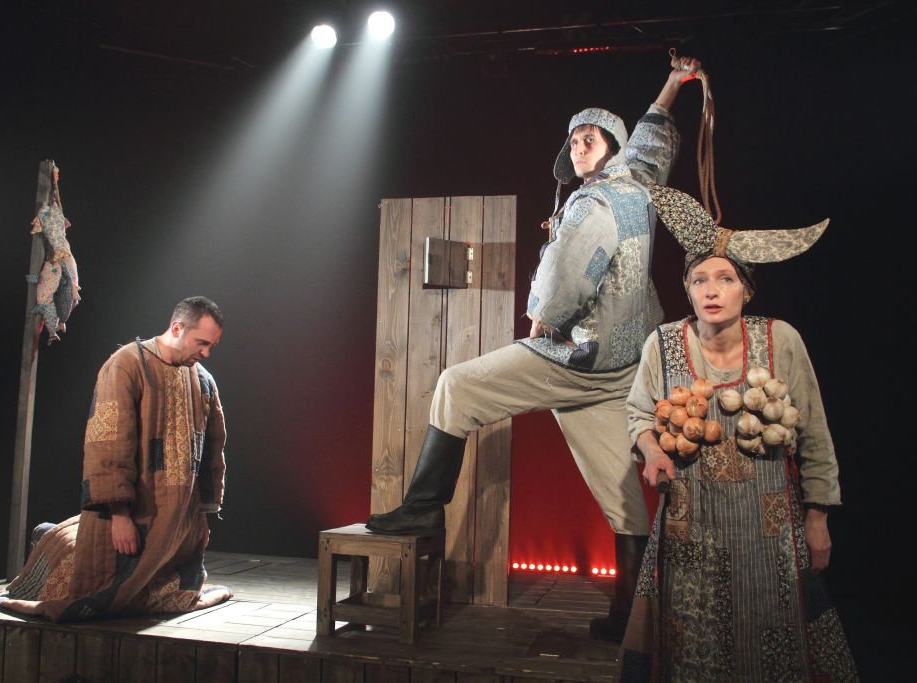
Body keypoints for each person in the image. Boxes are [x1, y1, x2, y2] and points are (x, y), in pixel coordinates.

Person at [367, 57, 701, 642]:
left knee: (455, 386)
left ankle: (423, 505)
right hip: (625, 367)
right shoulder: (641, 182)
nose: (578, 146)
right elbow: (651, 135)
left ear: (611, 148)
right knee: (623, 498)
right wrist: (674, 84)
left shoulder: (593, 203)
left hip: (581, 359)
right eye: (574, 139)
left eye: (590, 138)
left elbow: (567, 279)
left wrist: (543, 316)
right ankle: (631, 615)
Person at [621, 186, 858, 680]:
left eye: (725, 279)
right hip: (691, 528)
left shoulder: (780, 339)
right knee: (694, 645)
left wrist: (817, 518)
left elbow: (814, 433)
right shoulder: (663, 343)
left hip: (769, 533)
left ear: (746, 290)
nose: (711, 290)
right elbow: (639, 414)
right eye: (700, 280)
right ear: (687, 289)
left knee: (773, 642)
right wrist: (651, 450)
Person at [0, 296, 231, 622]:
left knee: (174, 593)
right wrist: (119, 514)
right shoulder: (128, 364)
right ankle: (48, 548)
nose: (206, 353)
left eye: (211, 346)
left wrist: (203, 514)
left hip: (178, 522)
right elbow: (108, 441)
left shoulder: (202, 380)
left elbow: (213, 449)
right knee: (98, 590)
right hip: (137, 512)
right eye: (202, 343)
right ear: (177, 328)